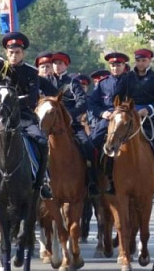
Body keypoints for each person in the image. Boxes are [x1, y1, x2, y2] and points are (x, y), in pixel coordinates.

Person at [0, 30, 52, 200]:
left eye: (17, 52)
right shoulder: (1, 69)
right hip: (1, 118)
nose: (14, 56)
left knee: (42, 142)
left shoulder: (31, 72)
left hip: (24, 118)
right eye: (11, 52)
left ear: (23, 53)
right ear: (6, 53)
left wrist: (12, 102)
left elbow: (32, 97)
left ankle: (42, 182)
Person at [114, 48, 154, 196]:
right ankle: (111, 180)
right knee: (111, 142)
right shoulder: (127, 77)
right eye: (138, 60)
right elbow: (117, 96)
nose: (141, 63)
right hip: (129, 119)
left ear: (149, 61)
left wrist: (149, 109)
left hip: (151, 120)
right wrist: (125, 110)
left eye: (144, 60)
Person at [52, 51, 98, 197]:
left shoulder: (73, 83)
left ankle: (92, 182)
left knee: (88, 147)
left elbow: (82, 102)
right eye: (55, 63)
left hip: (72, 125)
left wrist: (68, 115)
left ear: (66, 65)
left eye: (60, 63)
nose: (57, 66)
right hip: (50, 126)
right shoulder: (46, 81)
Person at [89, 52, 130, 194]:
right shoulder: (103, 83)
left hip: (127, 120)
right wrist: (102, 113)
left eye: (118, 65)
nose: (115, 68)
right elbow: (92, 103)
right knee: (91, 144)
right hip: (107, 121)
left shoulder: (131, 81)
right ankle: (93, 179)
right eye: (113, 65)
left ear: (124, 66)